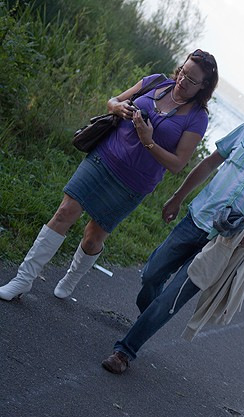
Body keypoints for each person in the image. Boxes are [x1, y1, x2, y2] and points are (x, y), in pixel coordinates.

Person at [101, 96, 244, 374]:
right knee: (151, 275)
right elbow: (209, 164)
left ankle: (125, 352)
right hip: (196, 219)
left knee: (173, 298)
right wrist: (177, 196)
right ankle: (149, 317)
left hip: (225, 242)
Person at [0, 49, 219, 302]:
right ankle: (22, 280)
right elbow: (113, 101)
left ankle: (71, 277)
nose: (182, 80)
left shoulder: (197, 118)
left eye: (191, 80)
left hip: (132, 184)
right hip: (103, 158)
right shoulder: (156, 81)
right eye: (183, 72)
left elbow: (178, 164)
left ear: (204, 86)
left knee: (93, 239)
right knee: (64, 212)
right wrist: (118, 108)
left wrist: (148, 141)